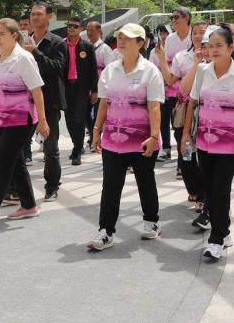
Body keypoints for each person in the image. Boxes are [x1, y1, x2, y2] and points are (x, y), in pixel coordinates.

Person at [87, 23, 165, 250]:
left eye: (127, 38)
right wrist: (96, 131)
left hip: (143, 139)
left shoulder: (150, 71)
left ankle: (151, 221)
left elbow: (154, 107)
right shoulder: (110, 70)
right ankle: (105, 231)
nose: (121, 41)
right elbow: (104, 103)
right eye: (119, 37)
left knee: (145, 181)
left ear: (141, 43)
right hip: (113, 140)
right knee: (111, 185)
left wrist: (153, 136)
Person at [183, 26, 234, 261]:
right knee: (210, 188)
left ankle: (216, 240)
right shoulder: (203, 71)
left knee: (220, 188)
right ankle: (224, 232)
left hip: (229, 143)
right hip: (204, 141)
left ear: (230, 47)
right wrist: (186, 134)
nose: (213, 50)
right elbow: (192, 103)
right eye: (210, 46)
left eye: (219, 45)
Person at [0, 19, 50, 226]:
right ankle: (29, 205)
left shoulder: (24, 58)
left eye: (2, 34)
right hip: (0, 118)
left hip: (21, 119)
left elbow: (37, 90)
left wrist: (43, 121)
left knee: (3, 162)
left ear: (14, 35)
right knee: (16, 162)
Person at [24, 2, 67, 201]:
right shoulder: (23, 41)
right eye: (32, 14)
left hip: (49, 101)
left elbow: (57, 68)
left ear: (49, 16)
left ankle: (52, 185)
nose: (35, 17)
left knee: (50, 147)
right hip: (24, 101)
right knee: (18, 146)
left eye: (39, 14)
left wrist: (36, 52)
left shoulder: (57, 42)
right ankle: (16, 188)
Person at [175, 21, 209, 207]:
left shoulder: (217, 58)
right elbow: (184, 88)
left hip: (208, 114)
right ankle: (194, 189)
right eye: (194, 32)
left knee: (204, 158)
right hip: (186, 113)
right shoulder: (183, 56)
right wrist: (196, 63)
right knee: (186, 157)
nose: (197, 36)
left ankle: (203, 197)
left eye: (202, 32)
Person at [159, 7, 194, 160]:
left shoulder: (194, 36)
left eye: (176, 17)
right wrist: (164, 86)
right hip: (173, 90)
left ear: (187, 18)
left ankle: (188, 160)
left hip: (192, 91)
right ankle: (182, 160)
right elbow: (166, 64)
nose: (173, 20)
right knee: (177, 126)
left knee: (191, 127)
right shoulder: (170, 39)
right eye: (172, 18)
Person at [63, 16, 97, 165]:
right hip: (65, 87)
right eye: (69, 25)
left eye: (75, 26)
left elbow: (93, 70)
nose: (71, 28)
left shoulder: (87, 47)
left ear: (81, 29)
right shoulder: (61, 44)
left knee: (79, 119)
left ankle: (77, 151)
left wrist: (95, 90)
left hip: (82, 88)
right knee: (69, 120)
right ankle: (77, 144)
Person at [85, 19, 119, 148]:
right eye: (87, 30)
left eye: (92, 30)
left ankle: (96, 137)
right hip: (87, 87)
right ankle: (92, 134)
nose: (89, 33)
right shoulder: (86, 47)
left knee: (98, 114)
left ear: (99, 31)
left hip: (101, 88)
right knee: (84, 114)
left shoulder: (105, 49)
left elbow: (110, 69)